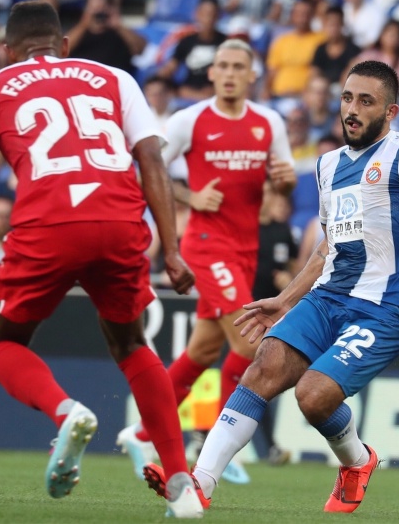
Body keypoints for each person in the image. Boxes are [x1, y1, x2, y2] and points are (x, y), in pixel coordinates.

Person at [141, 61, 399, 513]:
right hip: (326, 298)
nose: (352, 110)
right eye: (347, 98)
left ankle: (357, 460)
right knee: (261, 368)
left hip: (382, 308)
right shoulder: (327, 165)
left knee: (313, 397)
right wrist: (285, 300)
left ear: (390, 111)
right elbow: (328, 246)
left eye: (366, 101)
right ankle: (199, 482)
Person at [0, 1, 203, 518]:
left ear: (8, 51)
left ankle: (66, 412)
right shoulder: (115, 78)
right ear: (65, 46)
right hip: (120, 220)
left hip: (47, 223)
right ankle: (182, 485)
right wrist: (171, 248)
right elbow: (151, 157)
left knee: (1, 342)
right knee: (130, 343)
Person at [116, 39, 295, 485]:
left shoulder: (269, 123)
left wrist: (285, 182)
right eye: (223, 66)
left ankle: (141, 433)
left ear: (252, 75)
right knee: (250, 345)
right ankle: (215, 441)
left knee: (202, 352)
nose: (230, 73)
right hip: (206, 245)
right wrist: (189, 196)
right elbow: (147, 167)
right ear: (212, 73)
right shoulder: (189, 120)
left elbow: (283, 185)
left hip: (245, 250)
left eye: (238, 67)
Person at [66, 0, 146, 75]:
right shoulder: (79, 32)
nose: (98, 13)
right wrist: (83, 24)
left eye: (101, 8)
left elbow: (141, 49)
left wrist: (118, 26)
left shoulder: (119, 33)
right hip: (85, 76)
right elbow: (64, 49)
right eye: (94, 8)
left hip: (113, 77)